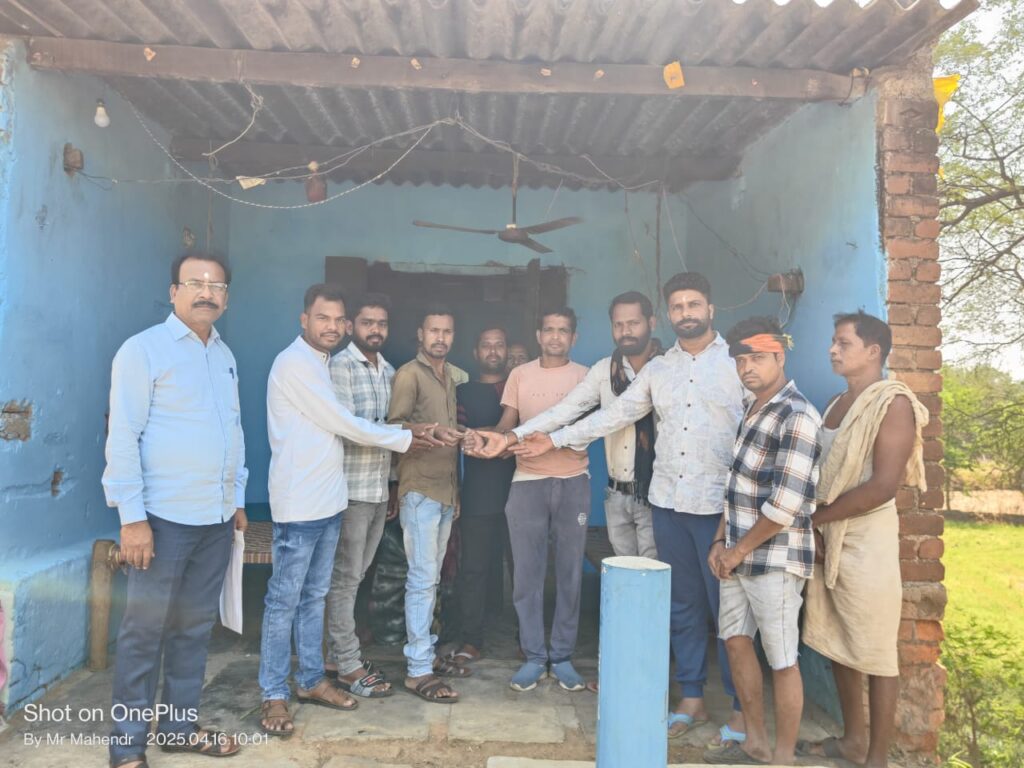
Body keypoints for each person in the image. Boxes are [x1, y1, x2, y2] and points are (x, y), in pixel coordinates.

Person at [502, 273, 746, 743]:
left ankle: (741, 708)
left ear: (710, 309)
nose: (686, 314)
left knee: (729, 611)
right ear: (668, 314)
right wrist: (543, 437)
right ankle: (690, 697)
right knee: (680, 604)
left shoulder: (737, 363)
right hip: (667, 502)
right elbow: (609, 415)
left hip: (719, 507)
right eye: (679, 306)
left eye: (694, 305)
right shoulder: (660, 369)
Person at [259, 285, 442, 736]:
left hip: (331, 499)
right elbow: (343, 423)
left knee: (314, 597)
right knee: (284, 601)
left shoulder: (321, 364)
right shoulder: (294, 364)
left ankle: (310, 680)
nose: (332, 327)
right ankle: (273, 694)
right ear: (304, 319)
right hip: (299, 503)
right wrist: (405, 437)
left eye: (337, 320)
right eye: (323, 318)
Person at [103, 251, 247, 766]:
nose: (207, 293)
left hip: (215, 520)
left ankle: (179, 729)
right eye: (195, 283)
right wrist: (131, 518)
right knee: (143, 634)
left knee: (193, 630)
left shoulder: (224, 355)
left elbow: (233, 430)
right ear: (173, 292)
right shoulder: (142, 350)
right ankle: (127, 749)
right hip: (161, 522)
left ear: (226, 297)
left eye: (217, 286)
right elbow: (123, 436)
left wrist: (236, 499)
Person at [799, 312, 928, 768]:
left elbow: (883, 486)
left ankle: (876, 758)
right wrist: (818, 526)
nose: (832, 350)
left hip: (867, 539)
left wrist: (815, 521)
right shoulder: (836, 402)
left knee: (875, 649)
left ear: (873, 352)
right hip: (831, 533)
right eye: (833, 342)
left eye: (843, 343)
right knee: (840, 639)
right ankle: (853, 741)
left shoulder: (893, 403)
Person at [705, 316, 822, 766]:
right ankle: (754, 741)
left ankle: (783, 757)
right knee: (735, 641)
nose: (747, 367)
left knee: (782, 658)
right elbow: (734, 489)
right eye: (741, 360)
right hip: (736, 556)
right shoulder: (753, 410)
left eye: (757, 358)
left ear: (780, 356)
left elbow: (785, 504)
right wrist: (720, 542)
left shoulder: (797, 415)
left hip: (775, 560)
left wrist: (736, 551)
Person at [466, 308, 592, 693]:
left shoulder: (587, 377)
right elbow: (509, 425)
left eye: (563, 330)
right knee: (526, 574)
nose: (555, 336)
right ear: (538, 335)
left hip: (573, 481)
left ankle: (563, 656)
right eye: (549, 329)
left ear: (574, 337)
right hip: (526, 482)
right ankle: (534, 656)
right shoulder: (520, 375)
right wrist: (489, 439)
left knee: (569, 573)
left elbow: (589, 427)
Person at [503, 291, 662, 559]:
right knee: (622, 570)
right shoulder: (604, 371)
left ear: (652, 323)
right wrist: (511, 437)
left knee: (654, 571)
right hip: (616, 493)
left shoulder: (666, 369)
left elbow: (612, 418)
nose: (625, 331)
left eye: (633, 323)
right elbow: (566, 409)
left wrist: (552, 440)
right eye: (618, 324)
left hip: (656, 494)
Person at [387, 304, 467, 703]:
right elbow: (392, 428)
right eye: (433, 330)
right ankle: (418, 670)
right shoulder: (409, 374)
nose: (440, 338)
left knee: (431, 579)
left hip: (445, 490)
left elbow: (446, 432)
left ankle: (427, 654)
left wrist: (456, 492)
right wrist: (427, 432)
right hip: (419, 489)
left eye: (447, 331)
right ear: (421, 334)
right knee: (421, 580)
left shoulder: (449, 376)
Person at [325, 293, 401, 699]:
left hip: (376, 489)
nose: (375, 329)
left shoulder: (388, 371)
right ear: (352, 326)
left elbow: (387, 429)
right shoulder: (339, 366)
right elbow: (351, 428)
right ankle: (348, 663)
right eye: (368, 322)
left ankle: (334, 656)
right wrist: (408, 435)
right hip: (350, 490)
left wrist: (392, 484)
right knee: (345, 577)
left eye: (381, 323)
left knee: (356, 575)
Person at [449, 327, 517, 665]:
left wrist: (486, 436)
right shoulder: (463, 393)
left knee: (524, 570)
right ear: (476, 352)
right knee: (473, 569)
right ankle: (471, 639)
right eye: (486, 345)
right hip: (478, 491)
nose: (493, 351)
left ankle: (529, 639)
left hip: (522, 491)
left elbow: (531, 433)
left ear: (507, 350)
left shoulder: (519, 388)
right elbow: (459, 440)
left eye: (499, 344)